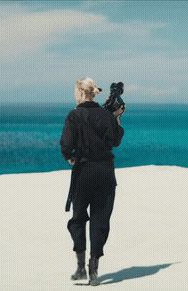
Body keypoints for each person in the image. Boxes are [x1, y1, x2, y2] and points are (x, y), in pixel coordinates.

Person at [60, 77, 125, 286]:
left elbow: (65, 146)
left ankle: (80, 268)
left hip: (84, 172)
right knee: (100, 220)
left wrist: (71, 157)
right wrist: (116, 118)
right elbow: (115, 141)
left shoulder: (74, 115)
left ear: (80, 92)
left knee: (78, 218)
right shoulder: (106, 114)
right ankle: (94, 270)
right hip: (105, 172)